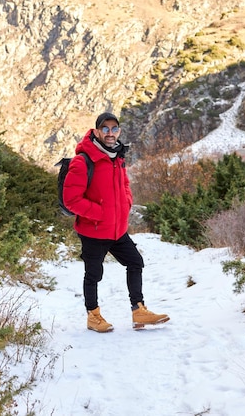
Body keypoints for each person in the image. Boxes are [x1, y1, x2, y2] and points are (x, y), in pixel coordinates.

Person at [63, 112, 170, 332]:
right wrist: (99, 213)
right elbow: (71, 199)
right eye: (105, 129)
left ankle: (139, 311)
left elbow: (125, 185)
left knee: (135, 262)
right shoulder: (82, 161)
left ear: (118, 132)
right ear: (96, 132)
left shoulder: (117, 157)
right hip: (93, 231)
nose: (110, 133)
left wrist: (127, 202)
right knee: (94, 274)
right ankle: (93, 316)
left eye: (114, 129)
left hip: (117, 230)